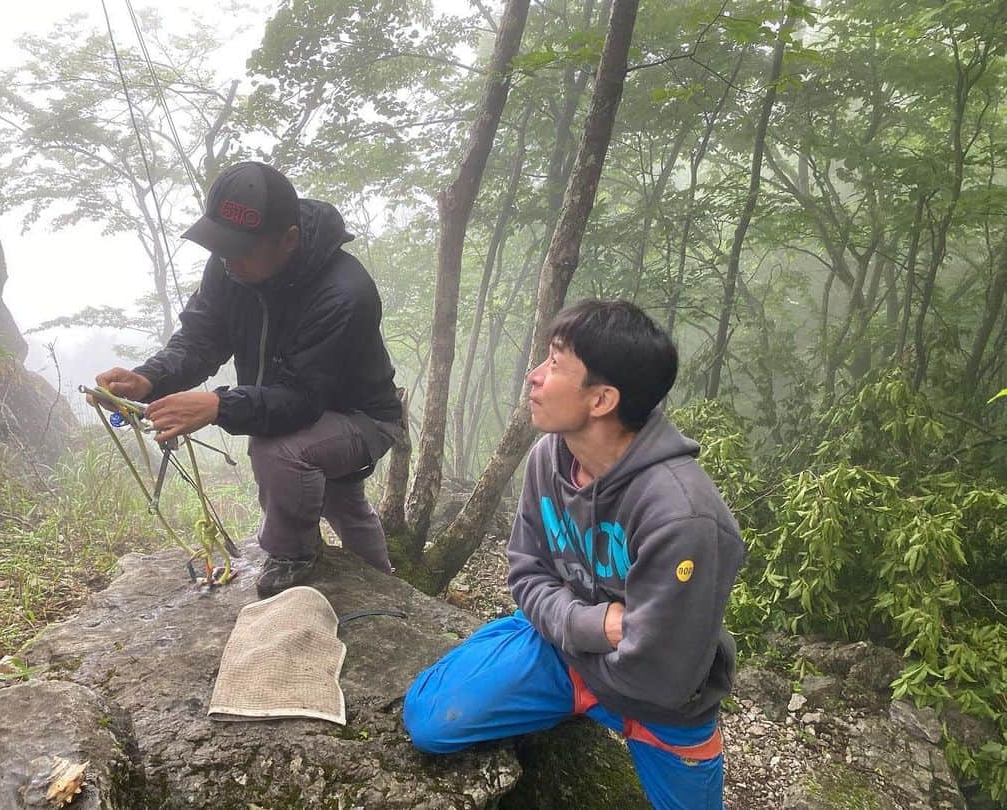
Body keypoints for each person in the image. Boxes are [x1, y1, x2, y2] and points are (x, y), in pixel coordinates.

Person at [403, 300, 744, 809]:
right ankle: (527, 650)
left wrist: (560, 623)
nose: (534, 377)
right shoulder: (551, 456)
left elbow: (663, 675)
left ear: (602, 399)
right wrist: (593, 626)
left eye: (555, 364)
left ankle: (535, 651)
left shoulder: (683, 517)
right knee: (429, 720)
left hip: (663, 709)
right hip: (566, 657)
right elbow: (526, 572)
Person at [94, 161, 403, 598]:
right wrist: (147, 379)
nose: (226, 259)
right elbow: (201, 338)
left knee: (279, 452)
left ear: (289, 240)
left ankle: (295, 554)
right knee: (343, 500)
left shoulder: (344, 292)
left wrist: (219, 405)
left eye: (240, 249)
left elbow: (302, 399)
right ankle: (384, 587)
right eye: (221, 246)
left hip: (361, 416)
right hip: (296, 404)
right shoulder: (231, 267)